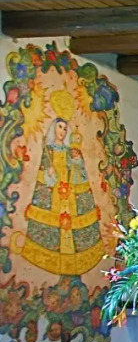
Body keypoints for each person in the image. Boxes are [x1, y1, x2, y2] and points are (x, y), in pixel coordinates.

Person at [21, 116, 103, 275]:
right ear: (54, 129)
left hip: (70, 195)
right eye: (59, 127)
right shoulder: (49, 150)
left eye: (65, 128)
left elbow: (77, 172)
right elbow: (42, 177)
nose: (62, 131)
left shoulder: (69, 151)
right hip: (53, 196)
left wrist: (78, 161)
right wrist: (48, 173)